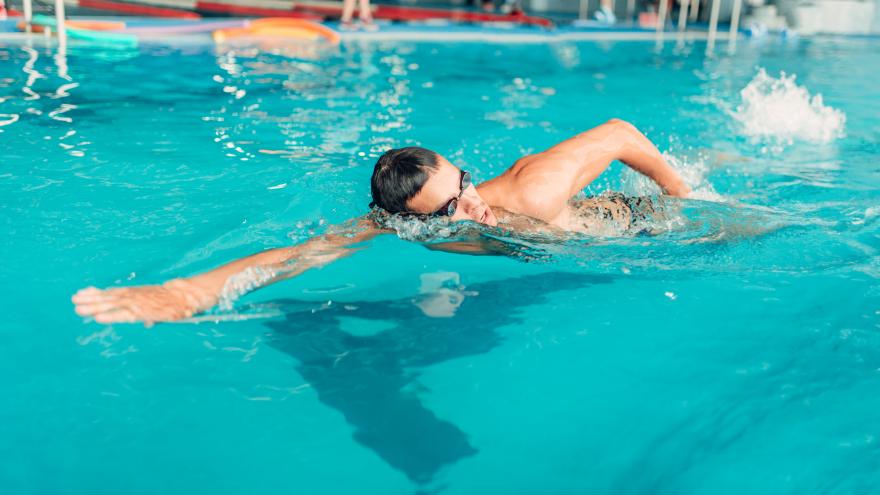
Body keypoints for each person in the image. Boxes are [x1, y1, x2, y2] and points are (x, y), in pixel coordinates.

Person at [72, 118, 690, 325]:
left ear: (458, 168)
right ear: (414, 222)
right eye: (450, 210)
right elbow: (299, 255)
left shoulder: (534, 189)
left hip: (641, 227)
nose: (472, 207)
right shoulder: (402, 222)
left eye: (464, 184)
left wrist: (680, 198)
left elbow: (618, 133)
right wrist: (183, 293)